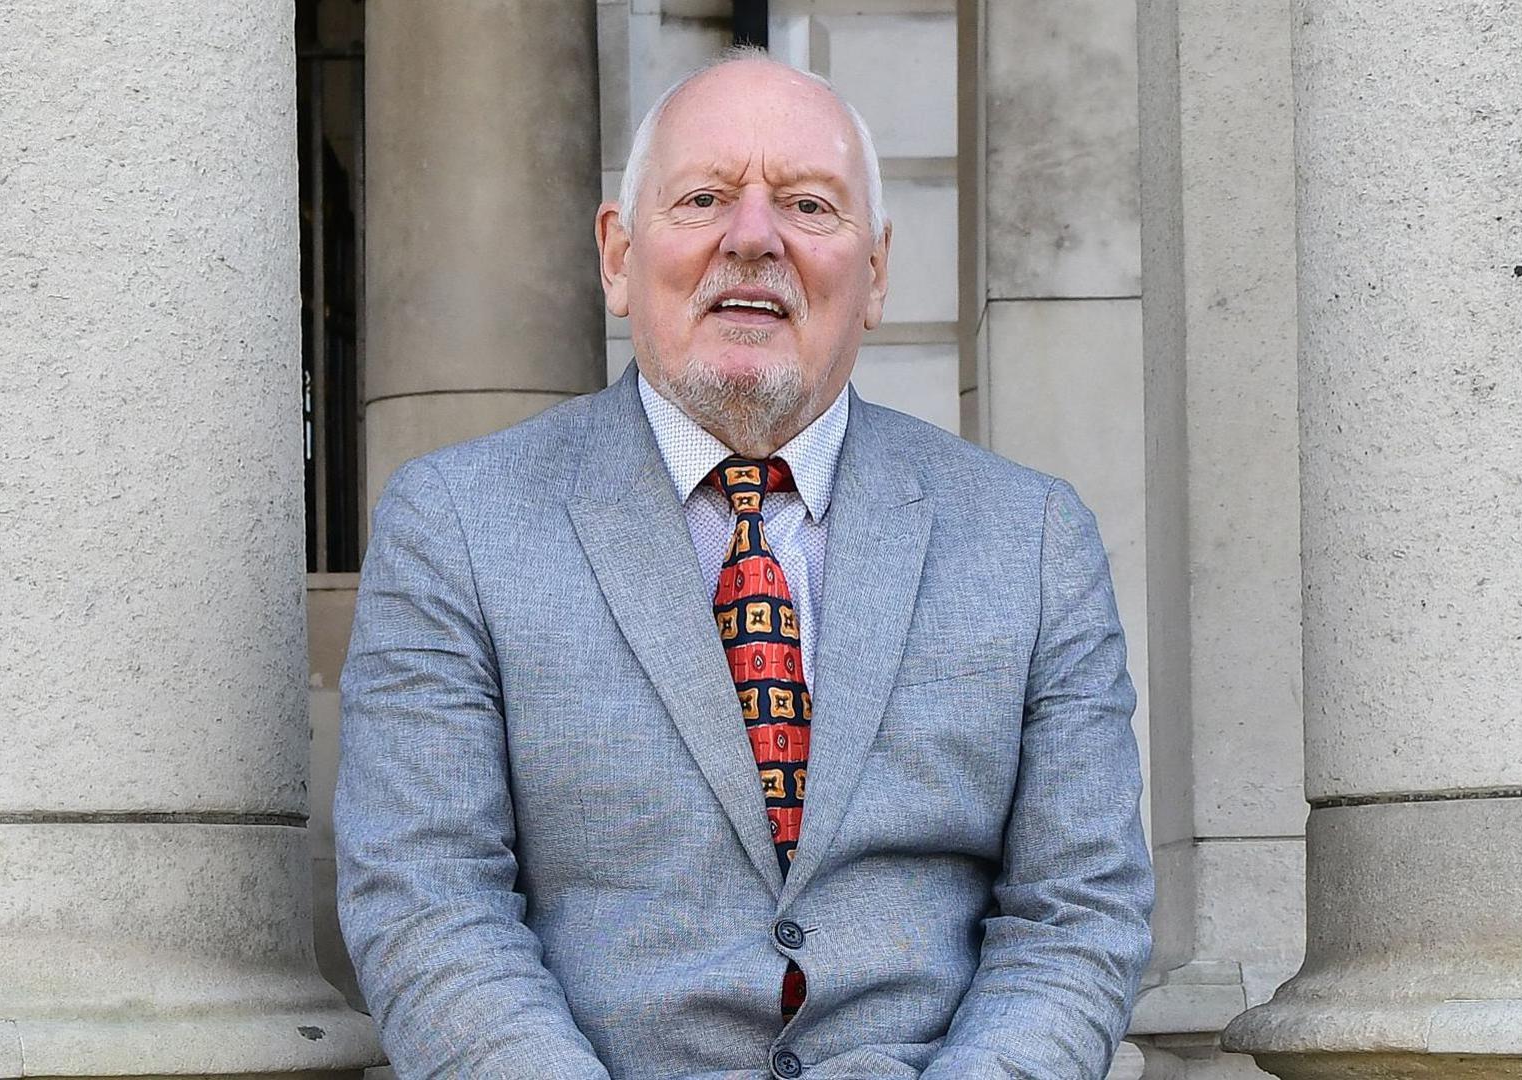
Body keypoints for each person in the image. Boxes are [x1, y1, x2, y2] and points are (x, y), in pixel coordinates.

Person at [335, 48, 1152, 1080]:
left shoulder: (1032, 540)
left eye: (809, 206)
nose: (754, 238)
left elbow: (1078, 912)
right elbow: (426, 900)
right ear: (618, 256)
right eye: (705, 197)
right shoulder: (455, 524)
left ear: (878, 272)